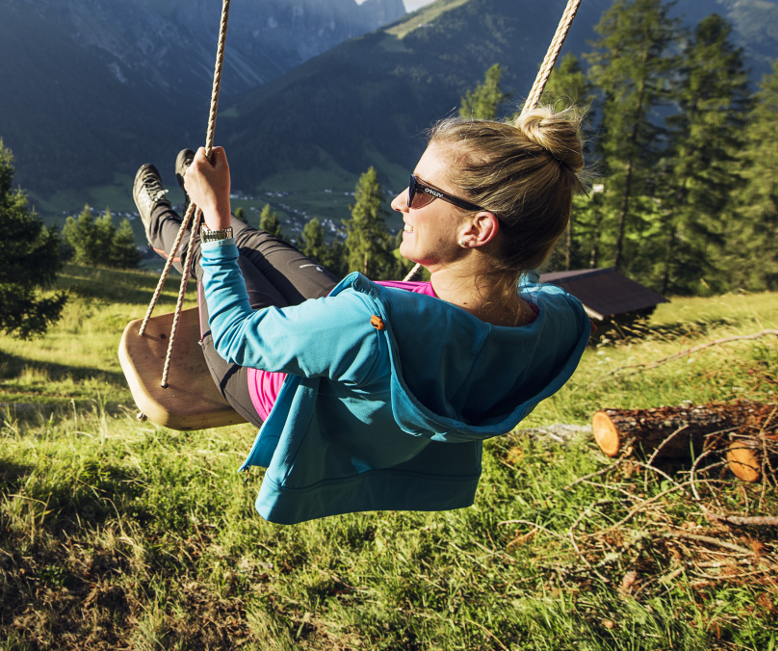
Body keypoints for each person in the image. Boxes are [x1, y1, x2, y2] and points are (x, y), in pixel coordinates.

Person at [130, 107, 591, 523]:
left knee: (221, 242)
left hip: (263, 378)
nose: (400, 202)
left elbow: (235, 335)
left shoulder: (367, 323)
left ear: (478, 228)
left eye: (421, 191)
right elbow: (525, 286)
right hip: (356, 342)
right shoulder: (561, 322)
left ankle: (166, 223)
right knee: (249, 243)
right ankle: (193, 212)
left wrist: (214, 214)